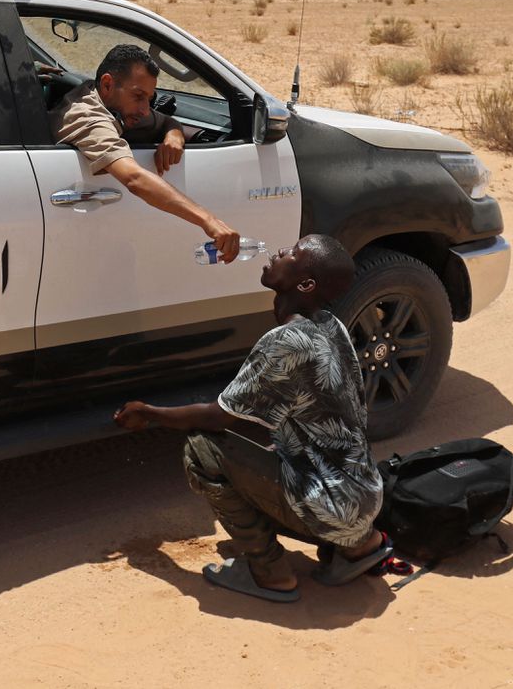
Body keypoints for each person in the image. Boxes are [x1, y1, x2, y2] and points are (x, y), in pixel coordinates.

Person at [113, 234, 390, 602]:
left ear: (305, 284)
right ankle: (359, 547)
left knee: (202, 449)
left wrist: (148, 413)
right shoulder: (330, 324)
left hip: (330, 503)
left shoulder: (287, 342)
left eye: (292, 253)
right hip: (363, 496)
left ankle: (270, 571)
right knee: (269, 448)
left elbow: (216, 418)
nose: (279, 251)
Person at [50, 44, 240, 264]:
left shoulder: (115, 104)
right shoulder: (88, 118)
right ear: (108, 84)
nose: (144, 109)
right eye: (138, 96)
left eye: (149, 99)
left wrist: (173, 136)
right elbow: (134, 179)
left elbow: (166, 121)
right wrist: (208, 220)